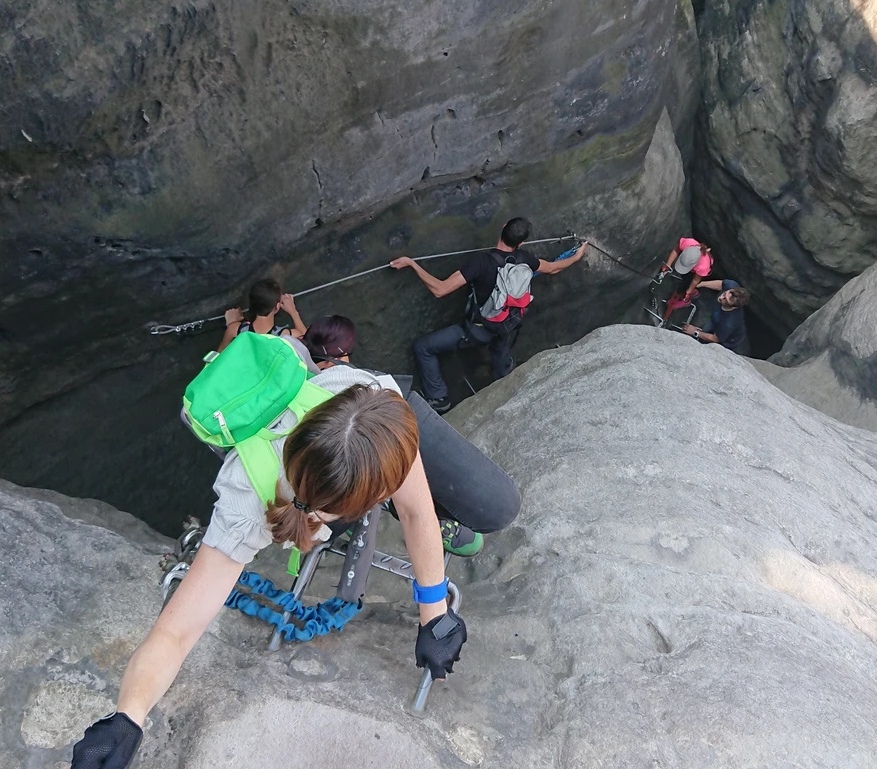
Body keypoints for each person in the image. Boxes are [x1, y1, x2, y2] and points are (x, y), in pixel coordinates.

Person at [71, 368, 521, 769]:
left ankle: (423, 512)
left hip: (369, 427)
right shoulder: (245, 505)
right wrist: (127, 717)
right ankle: (361, 516)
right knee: (379, 510)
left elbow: (418, 509)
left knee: (498, 506)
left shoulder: (371, 399)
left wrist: (434, 613)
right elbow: (176, 631)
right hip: (322, 483)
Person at [390, 218, 587, 413]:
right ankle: (508, 381)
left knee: (423, 347)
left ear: (502, 228)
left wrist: (412, 264)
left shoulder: (481, 263)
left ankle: (438, 398)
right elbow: (553, 268)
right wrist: (576, 257)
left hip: (478, 330)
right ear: (521, 243)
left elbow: (440, 289)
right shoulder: (526, 259)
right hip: (508, 326)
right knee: (502, 361)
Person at [216, 278, 307, 352]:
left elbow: (219, 356)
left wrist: (232, 323)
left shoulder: (234, 330)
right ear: (277, 307)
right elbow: (307, 339)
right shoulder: (284, 335)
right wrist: (293, 311)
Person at [682, 279, 750, 351]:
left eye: (725, 300)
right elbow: (721, 284)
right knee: (706, 330)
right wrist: (700, 284)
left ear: (734, 307)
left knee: (711, 346)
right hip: (716, 318)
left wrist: (695, 332)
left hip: (727, 338)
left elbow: (715, 339)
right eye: (724, 294)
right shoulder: (732, 287)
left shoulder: (729, 323)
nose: (720, 298)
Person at [658, 237, 714, 307]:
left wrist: (688, 292)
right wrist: (668, 265)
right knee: (685, 277)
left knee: (689, 282)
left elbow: (695, 280)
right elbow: (676, 250)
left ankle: (690, 297)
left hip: (697, 273)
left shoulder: (703, 267)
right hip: (691, 268)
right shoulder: (688, 243)